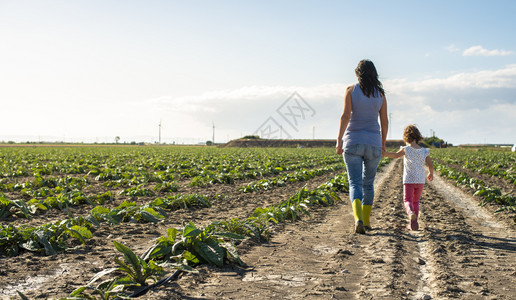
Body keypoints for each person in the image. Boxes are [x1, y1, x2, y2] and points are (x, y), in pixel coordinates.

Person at [336, 59, 388, 234]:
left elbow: (345, 116)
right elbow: (385, 122)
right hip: (373, 143)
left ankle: (357, 218)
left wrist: (339, 140)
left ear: (358, 74)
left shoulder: (351, 90)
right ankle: (366, 221)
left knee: (355, 183)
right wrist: (383, 143)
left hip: (353, 142)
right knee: (368, 184)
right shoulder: (380, 94)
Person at [382, 124, 434, 230]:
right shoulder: (424, 151)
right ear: (417, 136)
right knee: (416, 201)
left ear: (406, 137)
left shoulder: (406, 149)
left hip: (409, 180)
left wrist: (385, 154)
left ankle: (410, 214)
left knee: (407, 201)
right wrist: (431, 173)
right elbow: (430, 163)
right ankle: (414, 222)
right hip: (420, 180)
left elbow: (395, 155)